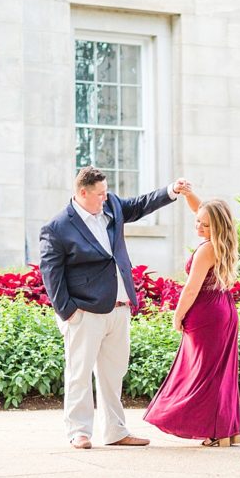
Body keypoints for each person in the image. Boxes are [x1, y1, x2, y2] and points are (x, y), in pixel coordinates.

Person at [39, 166, 190, 449]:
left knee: (113, 373)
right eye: (99, 194)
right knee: (79, 374)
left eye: (106, 192)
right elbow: (51, 273)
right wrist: (68, 311)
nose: (105, 198)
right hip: (84, 312)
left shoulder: (112, 206)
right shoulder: (58, 227)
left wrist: (171, 190)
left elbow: (140, 205)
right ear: (82, 193)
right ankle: (79, 432)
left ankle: (115, 431)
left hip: (119, 307)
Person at [143, 187, 240, 447]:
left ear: (216, 227)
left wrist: (177, 315)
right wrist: (188, 194)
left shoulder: (206, 250)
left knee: (201, 374)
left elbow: (191, 288)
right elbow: (206, 211)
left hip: (206, 313)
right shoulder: (225, 241)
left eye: (205, 225)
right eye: (197, 221)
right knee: (221, 372)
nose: (198, 226)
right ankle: (229, 431)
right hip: (225, 310)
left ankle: (214, 432)